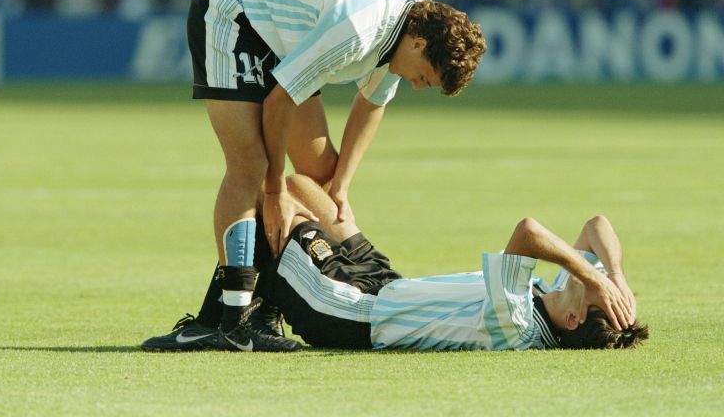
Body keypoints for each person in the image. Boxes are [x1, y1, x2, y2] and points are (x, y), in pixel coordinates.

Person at [181, 0, 487, 351]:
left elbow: (371, 103)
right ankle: (234, 320)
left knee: (321, 174)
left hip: (283, 33)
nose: (416, 86)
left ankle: (266, 302)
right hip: (233, 13)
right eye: (425, 78)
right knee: (250, 167)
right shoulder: (362, 27)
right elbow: (280, 102)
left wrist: (341, 184)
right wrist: (273, 191)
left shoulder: (411, 20)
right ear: (418, 45)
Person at [143, 175, 647, 352]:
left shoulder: (519, 324)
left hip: (349, 311)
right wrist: (615, 277)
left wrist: (589, 275)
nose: (594, 277)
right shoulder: (554, 297)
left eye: (597, 292)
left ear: (574, 318)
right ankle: (261, 299)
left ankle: (220, 322)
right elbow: (596, 224)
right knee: (301, 189)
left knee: (270, 198)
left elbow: (528, 231)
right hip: (384, 284)